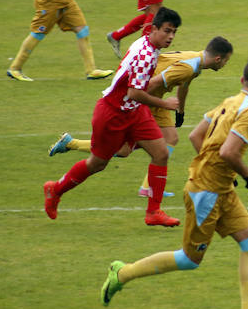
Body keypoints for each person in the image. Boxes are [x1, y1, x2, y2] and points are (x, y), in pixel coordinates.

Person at [100, 55, 248, 309]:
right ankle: (122, 273)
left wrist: (219, 174)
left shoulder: (231, 101)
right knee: (189, 259)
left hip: (219, 187)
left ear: (242, 81)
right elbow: (228, 152)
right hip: (206, 192)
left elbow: (195, 137)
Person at [43, 7, 184, 227]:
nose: (171, 37)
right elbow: (134, 92)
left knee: (161, 153)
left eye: (174, 32)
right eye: (167, 31)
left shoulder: (148, 43)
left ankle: (154, 212)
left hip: (134, 111)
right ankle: (55, 189)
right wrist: (165, 103)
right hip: (113, 114)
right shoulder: (146, 54)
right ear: (154, 28)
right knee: (97, 164)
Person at [48, 37, 234, 199]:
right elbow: (152, 83)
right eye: (226, 61)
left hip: (156, 99)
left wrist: (181, 111)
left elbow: (183, 86)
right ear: (218, 59)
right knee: (123, 150)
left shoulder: (196, 61)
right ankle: (71, 144)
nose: (225, 65)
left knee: (170, 138)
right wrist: (140, 106)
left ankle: (147, 187)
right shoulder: (188, 67)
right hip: (146, 98)